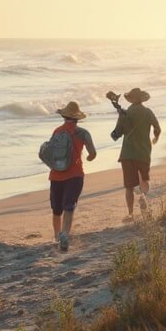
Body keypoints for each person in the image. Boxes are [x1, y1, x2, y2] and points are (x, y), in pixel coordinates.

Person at [47, 102, 97, 252]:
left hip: (56, 175)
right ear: (77, 118)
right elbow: (92, 153)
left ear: (64, 116)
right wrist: (88, 158)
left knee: (56, 210)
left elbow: (50, 153)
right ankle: (65, 234)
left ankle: (56, 236)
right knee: (69, 206)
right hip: (75, 174)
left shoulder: (57, 131)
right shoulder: (83, 133)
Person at [116, 87, 161, 221]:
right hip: (143, 152)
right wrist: (155, 138)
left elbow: (117, 133)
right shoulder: (147, 112)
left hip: (127, 153)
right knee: (144, 180)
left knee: (129, 186)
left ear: (130, 99)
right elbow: (157, 128)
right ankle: (143, 198)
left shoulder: (125, 113)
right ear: (141, 99)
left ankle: (130, 214)